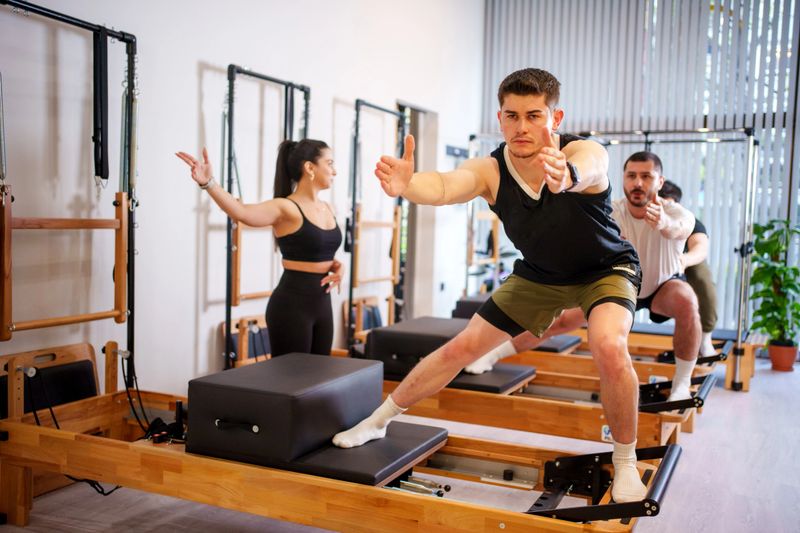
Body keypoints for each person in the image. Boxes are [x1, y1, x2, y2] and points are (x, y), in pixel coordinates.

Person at [333, 68, 649, 503]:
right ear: (500, 119)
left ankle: (626, 461)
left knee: (609, 345)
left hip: (605, 268)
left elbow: (592, 168)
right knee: (460, 349)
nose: (522, 126)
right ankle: (379, 419)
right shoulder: (490, 169)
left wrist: (568, 175)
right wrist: (409, 185)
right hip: (540, 272)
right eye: (512, 115)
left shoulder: (580, 150)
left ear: (555, 118)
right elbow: (447, 185)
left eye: (534, 115)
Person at [467, 159, 705, 404]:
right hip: (618, 286)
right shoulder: (610, 210)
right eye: (632, 176)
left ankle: (682, 382)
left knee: (687, 299)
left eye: (646, 177)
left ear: (660, 182)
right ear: (623, 178)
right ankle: (494, 354)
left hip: (660, 287)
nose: (638, 183)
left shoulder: (676, 212)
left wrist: (664, 223)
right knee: (559, 321)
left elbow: (680, 228)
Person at [176, 139, 343, 356]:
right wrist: (209, 183)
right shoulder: (285, 207)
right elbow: (241, 212)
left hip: (323, 304)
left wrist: (339, 268)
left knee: (321, 379)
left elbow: (322, 254)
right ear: (310, 167)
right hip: (293, 306)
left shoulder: (328, 208)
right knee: (292, 383)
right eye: (329, 163)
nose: (335, 171)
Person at [659, 180, 718, 356]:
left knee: (701, 275)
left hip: (680, 262)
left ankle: (705, 338)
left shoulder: (689, 220)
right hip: (649, 262)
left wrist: (684, 260)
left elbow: (701, 247)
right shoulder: (641, 215)